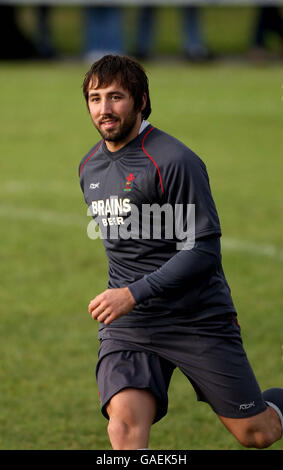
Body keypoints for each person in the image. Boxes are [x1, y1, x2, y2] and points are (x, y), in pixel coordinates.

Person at [78, 54, 283, 450]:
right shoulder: (89, 166)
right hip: (130, 325)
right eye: (95, 98)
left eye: (116, 97)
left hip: (196, 317)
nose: (104, 109)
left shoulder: (175, 161)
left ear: (140, 99)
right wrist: (128, 298)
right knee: (123, 428)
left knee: (258, 434)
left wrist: (133, 292)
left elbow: (203, 250)